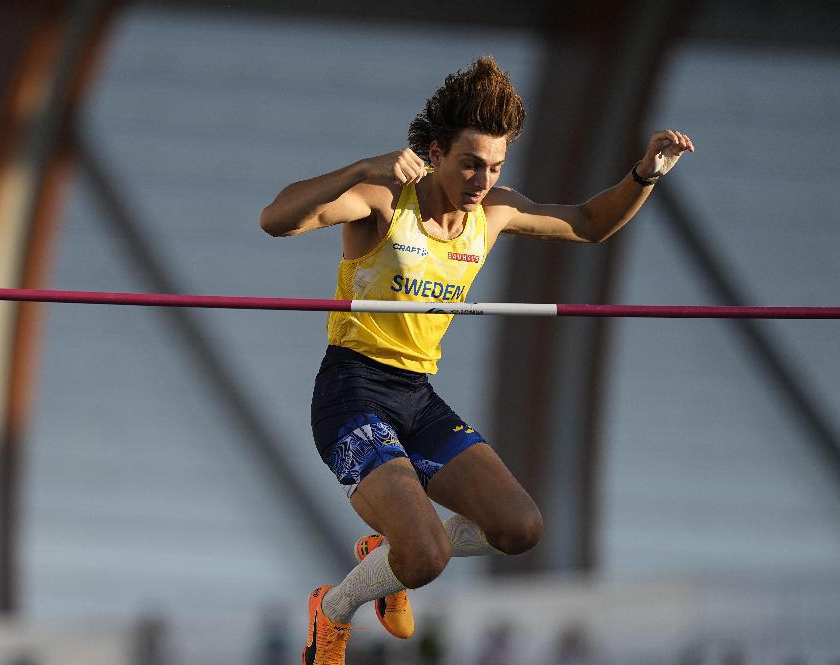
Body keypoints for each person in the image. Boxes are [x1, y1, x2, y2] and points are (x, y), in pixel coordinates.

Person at [258, 56, 693, 665]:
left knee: (519, 528)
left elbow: (590, 225)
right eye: (470, 163)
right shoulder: (384, 200)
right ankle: (333, 610)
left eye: (495, 166)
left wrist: (646, 174)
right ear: (434, 151)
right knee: (427, 556)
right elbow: (274, 220)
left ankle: (384, 555)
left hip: (418, 396)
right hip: (352, 393)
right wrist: (360, 166)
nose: (482, 180)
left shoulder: (494, 213)